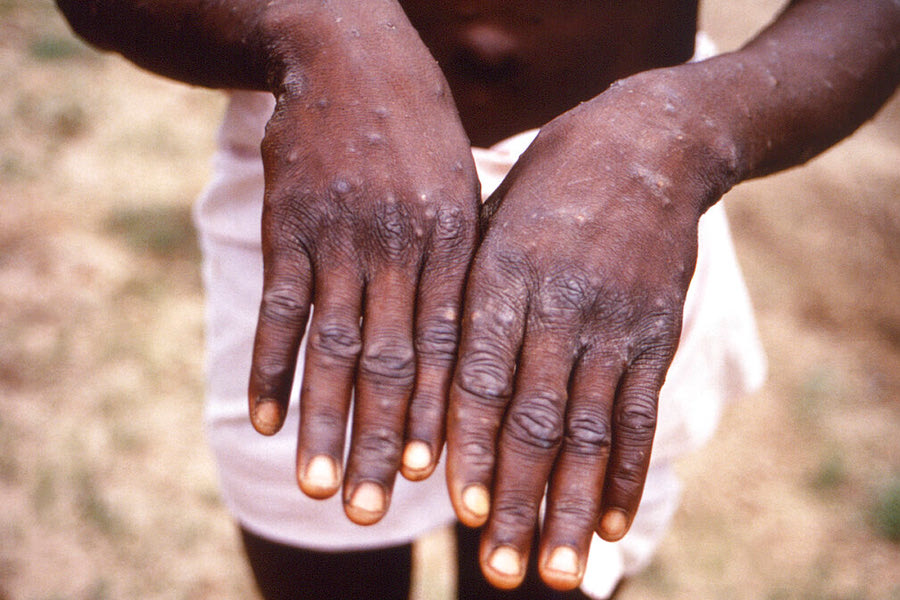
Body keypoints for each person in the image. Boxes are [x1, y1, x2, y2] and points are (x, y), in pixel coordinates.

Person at [55, 1, 898, 598]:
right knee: (314, 547)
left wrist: (685, 133)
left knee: (547, 566)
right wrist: (308, 23)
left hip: (620, 206)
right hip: (334, 156)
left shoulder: (658, 158)